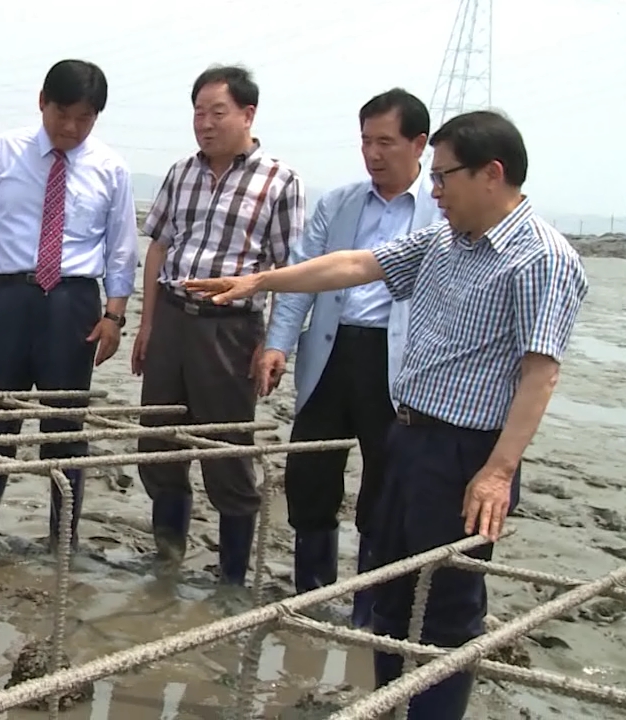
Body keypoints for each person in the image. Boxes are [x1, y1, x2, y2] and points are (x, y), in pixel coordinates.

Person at [184, 110, 588, 719]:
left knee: (447, 606)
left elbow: (541, 372)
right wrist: (260, 281)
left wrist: (500, 471)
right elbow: (356, 265)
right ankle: (388, 703)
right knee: (390, 589)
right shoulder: (446, 240)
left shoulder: (541, 258)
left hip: (466, 454)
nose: (435, 190)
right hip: (407, 435)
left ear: (492, 174)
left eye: (446, 176)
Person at [262, 88, 440, 626]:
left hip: (398, 364)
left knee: (385, 485)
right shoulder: (339, 202)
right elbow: (301, 279)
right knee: (310, 473)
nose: (374, 153)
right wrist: (277, 344)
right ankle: (312, 596)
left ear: (420, 144)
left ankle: (370, 606)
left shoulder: (442, 212)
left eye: (386, 142)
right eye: (366, 141)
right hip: (332, 351)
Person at [0, 59, 137, 548]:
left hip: (73, 303)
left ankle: (63, 536)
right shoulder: (4, 151)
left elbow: (121, 248)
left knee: (65, 424)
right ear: (42, 103)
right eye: (62, 114)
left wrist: (114, 315)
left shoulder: (110, 168)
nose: (71, 128)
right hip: (10, 296)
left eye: (84, 118)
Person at [133, 65, 304, 585]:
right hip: (172, 321)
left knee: (227, 454)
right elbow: (159, 247)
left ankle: (231, 580)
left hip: (229, 333)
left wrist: (274, 343)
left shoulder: (279, 181)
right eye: (198, 112)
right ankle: (166, 561)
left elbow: (288, 270)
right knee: (159, 444)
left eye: (218, 113)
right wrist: (147, 325)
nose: (205, 124)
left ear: (248, 114)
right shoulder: (182, 172)